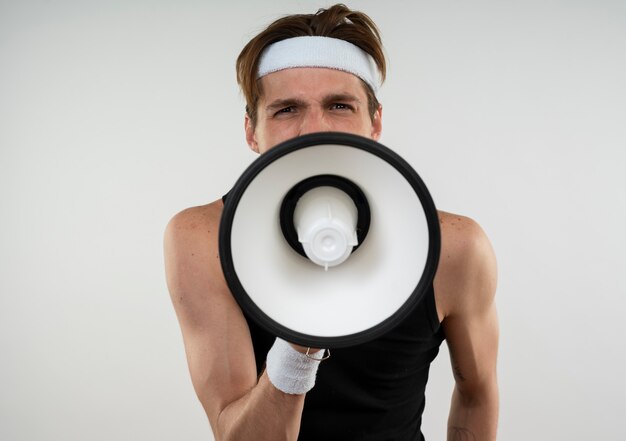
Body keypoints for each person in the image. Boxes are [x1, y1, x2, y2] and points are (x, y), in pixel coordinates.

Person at [164, 4, 499, 441]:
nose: (315, 129)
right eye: (286, 110)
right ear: (252, 131)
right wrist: (304, 331)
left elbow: (478, 394)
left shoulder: (455, 247)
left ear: (374, 121)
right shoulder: (202, 239)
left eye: (339, 105)